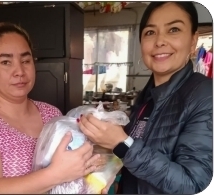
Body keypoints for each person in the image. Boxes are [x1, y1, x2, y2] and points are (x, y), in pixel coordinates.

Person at [0, 22, 113, 194]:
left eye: (25, 60)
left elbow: (72, 169)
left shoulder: (51, 114)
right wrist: (57, 174)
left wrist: (92, 171)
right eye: (5, 62)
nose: (19, 71)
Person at [79, 2, 213, 194]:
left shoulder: (205, 94)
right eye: (150, 32)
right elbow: (136, 156)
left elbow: (193, 183)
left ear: (193, 40)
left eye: (173, 29)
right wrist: (109, 170)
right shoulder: (148, 97)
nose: (160, 41)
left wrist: (121, 144)